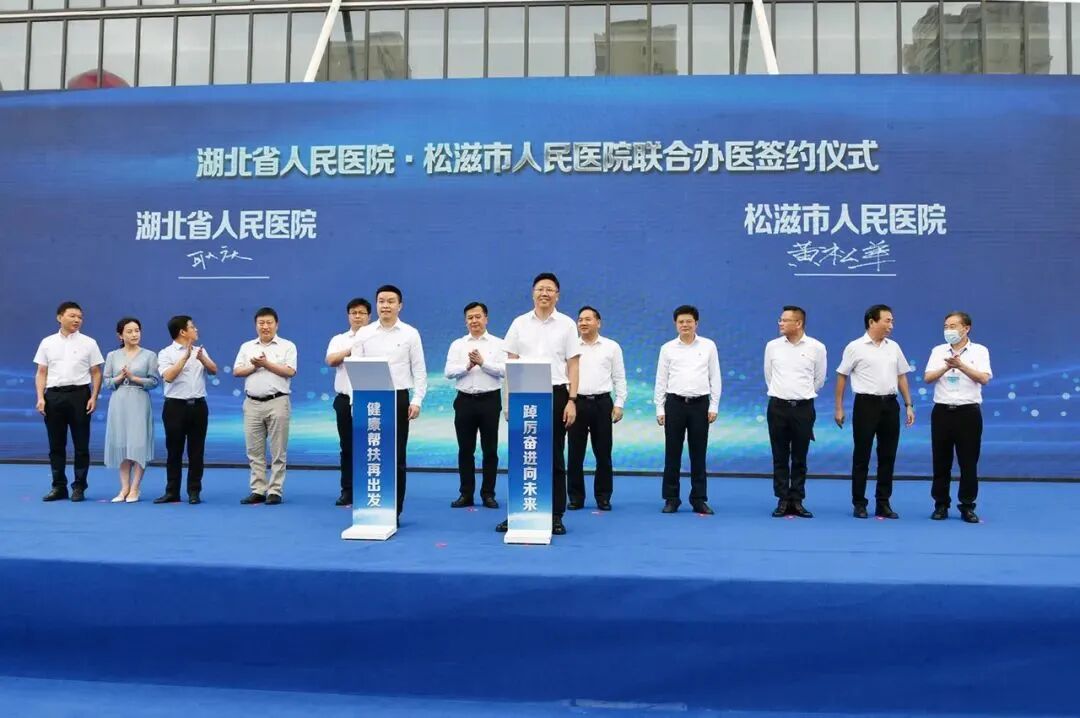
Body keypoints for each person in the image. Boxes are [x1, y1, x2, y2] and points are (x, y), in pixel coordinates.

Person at [497, 272, 580, 536]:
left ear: (557, 295)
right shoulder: (519, 323)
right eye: (540, 289)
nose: (544, 293)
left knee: (554, 456)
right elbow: (510, 363)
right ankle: (518, 512)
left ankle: (555, 514)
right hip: (524, 396)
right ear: (533, 293)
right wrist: (508, 402)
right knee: (522, 455)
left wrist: (572, 400)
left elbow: (573, 364)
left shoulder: (567, 324)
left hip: (555, 395)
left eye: (549, 289)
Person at [352, 285, 427, 520]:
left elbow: (419, 370)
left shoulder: (410, 333)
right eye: (381, 301)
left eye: (391, 301)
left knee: (396, 456)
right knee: (370, 454)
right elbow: (355, 369)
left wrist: (417, 400)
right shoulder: (364, 333)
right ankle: (370, 503)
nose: (385, 305)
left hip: (398, 398)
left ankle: (394, 509)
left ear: (400, 305)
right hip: (369, 399)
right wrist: (355, 402)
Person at [834, 304, 915, 519]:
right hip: (865, 405)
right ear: (872, 321)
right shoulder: (855, 347)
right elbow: (842, 376)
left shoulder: (893, 347)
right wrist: (839, 407)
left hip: (890, 405)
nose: (891, 325)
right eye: (887, 320)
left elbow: (901, 376)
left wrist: (908, 404)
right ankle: (859, 503)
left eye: (892, 321)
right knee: (862, 455)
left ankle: (883, 502)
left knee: (888, 456)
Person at [923, 311, 992, 523]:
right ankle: (941, 505)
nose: (948, 330)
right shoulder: (938, 351)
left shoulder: (979, 351)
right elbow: (928, 378)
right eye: (946, 326)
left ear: (966, 328)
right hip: (942, 412)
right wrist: (947, 366)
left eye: (953, 326)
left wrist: (961, 365)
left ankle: (967, 506)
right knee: (941, 461)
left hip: (968, 413)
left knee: (968, 462)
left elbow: (984, 378)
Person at [654, 305, 722, 515]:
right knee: (672, 453)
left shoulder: (708, 346)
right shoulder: (667, 348)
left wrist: (714, 405)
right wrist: (659, 407)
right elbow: (661, 379)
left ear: (696, 323)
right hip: (674, 404)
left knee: (698, 453)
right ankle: (671, 498)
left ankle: (699, 499)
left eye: (689, 321)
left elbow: (715, 377)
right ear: (675, 324)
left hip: (700, 405)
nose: (685, 325)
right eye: (681, 322)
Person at [34, 301, 104, 502]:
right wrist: (40, 397)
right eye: (72, 316)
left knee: (81, 445)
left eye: (80, 317)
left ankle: (79, 486)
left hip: (79, 396)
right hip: (53, 396)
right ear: (60, 317)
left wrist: (93, 396)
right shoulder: (47, 342)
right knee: (56, 445)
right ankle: (58, 487)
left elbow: (96, 372)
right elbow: (41, 372)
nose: (77, 320)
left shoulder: (89, 343)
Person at [763, 306, 827, 518]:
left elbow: (819, 379)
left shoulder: (817, 347)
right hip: (778, 407)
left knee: (800, 457)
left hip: (803, 408)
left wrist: (801, 395)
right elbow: (769, 376)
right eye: (780, 320)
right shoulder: (772, 346)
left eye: (785, 320)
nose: (780, 323)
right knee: (780, 456)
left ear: (798, 323)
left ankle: (797, 500)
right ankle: (782, 499)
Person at [444, 301, 505, 509]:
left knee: (490, 450)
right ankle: (466, 494)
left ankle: (488, 494)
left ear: (486, 318)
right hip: (464, 401)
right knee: (465, 450)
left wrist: (483, 363)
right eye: (470, 318)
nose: (474, 321)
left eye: (478, 316)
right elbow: (448, 372)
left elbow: (504, 370)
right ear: (465, 321)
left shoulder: (498, 344)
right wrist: (467, 366)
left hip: (489, 400)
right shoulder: (458, 344)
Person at [234, 307, 296, 505]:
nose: (265, 326)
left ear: (277, 325)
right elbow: (237, 371)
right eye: (261, 323)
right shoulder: (247, 347)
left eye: (269, 322)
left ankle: (275, 490)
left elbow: (290, 371)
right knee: (254, 450)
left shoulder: (287, 346)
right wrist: (255, 366)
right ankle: (258, 489)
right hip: (252, 403)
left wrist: (266, 364)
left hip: (278, 401)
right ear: (256, 325)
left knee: (278, 450)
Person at [567, 305, 627, 511]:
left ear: (598, 323)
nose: (583, 323)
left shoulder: (611, 347)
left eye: (587, 319)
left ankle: (603, 497)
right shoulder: (571, 346)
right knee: (575, 454)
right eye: (580, 320)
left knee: (603, 453)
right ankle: (576, 497)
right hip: (576, 403)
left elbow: (619, 377)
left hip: (602, 404)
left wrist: (619, 403)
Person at [156, 315, 217, 505]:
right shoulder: (166, 353)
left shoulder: (200, 350)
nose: (196, 329)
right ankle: (172, 491)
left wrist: (202, 358)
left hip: (198, 406)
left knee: (196, 451)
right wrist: (185, 358)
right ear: (182, 332)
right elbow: (168, 376)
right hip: (175, 407)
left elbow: (214, 370)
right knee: (174, 451)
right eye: (192, 327)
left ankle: (194, 491)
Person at [101, 318, 159, 503]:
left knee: (138, 444)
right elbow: (107, 382)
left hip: (139, 400)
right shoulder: (112, 356)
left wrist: (135, 378)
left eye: (137, 331)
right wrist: (119, 377)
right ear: (120, 335)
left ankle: (135, 488)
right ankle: (124, 488)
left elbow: (154, 382)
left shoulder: (149, 355)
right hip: (119, 402)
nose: (134, 334)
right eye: (129, 331)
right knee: (122, 444)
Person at [325, 298, 371, 506]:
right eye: (354, 313)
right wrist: (351, 349)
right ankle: (348, 490)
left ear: (369, 316)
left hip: (371, 400)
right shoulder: (340, 339)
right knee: (347, 446)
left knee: (371, 446)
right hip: (344, 400)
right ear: (348, 316)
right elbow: (331, 360)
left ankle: (370, 488)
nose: (358, 316)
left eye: (362, 313)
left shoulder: (377, 338)